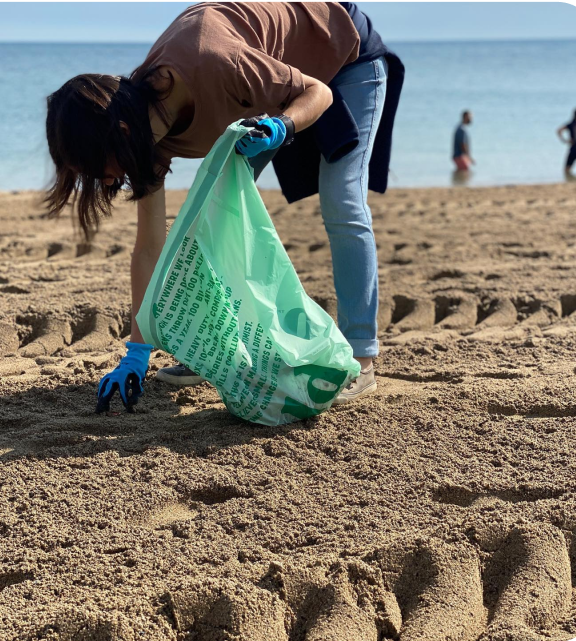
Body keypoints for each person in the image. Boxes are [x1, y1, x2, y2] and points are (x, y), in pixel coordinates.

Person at [45, 1, 404, 413]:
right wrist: (137, 353)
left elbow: (315, 92)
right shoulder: (145, 136)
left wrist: (283, 125)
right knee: (209, 219)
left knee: (341, 200)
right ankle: (215, 346)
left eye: (98, 169)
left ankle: (360, 358)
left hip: (342, 55)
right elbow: (149, 249)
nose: (106, 182)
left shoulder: (215, 62)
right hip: (272, 80)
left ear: (121, 133)